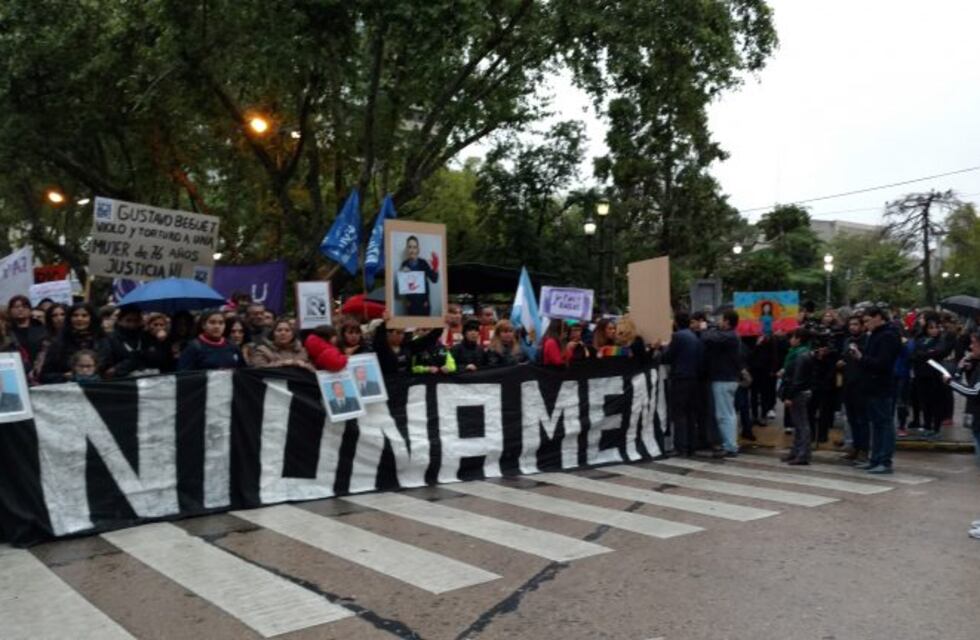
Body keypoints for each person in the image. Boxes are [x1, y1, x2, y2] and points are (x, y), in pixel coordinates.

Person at [852, 306, 902, 474]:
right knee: (876, 424)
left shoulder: (888, 335)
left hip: (881, 386)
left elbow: (882, 363)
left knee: (884, 424)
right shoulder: (875, 334)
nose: (866, 325)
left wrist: (861, 357)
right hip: (871, 386)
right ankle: (875, 459)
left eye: (867, 321)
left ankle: (884, 461)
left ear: (879, 317)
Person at [661, 311, 704, 457]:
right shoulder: (694, 337)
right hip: (694, 379)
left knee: (679, 414)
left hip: (680, 379)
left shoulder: (678, 336)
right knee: (691, 414)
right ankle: (691, 446)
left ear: (676, 323)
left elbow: (668, 356)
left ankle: (681, 447)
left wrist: (661, 349)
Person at [701, 310, 742, 457]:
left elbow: (708, 338)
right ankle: (731, 444)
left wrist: (706, 328)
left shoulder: (729, 336)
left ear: (727, 321)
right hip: (728, 378)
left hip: (724, 379)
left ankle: (730, 446)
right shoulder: (731, 336)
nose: (719, 322)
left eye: (721, 320)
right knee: (729, 413)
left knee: (724, 415)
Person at [40, 303, 112, 383]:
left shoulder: (104, 340)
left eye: (84, 315)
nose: (79, 319)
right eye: (75, 315)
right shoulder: (59, 343)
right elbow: (44, 375)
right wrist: (64, 376)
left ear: (92, 318)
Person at [910, 315, 953, 436]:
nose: (934, 330)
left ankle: (936, 428)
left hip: (935, 376)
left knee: (936, 402)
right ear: (926, 329)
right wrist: (927, 353)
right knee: (925, 402)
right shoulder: (920, 339)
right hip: (921, 375)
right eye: (931, 328)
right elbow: (915, 355)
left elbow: (939, 352)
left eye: (936, 327)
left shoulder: (941, 340)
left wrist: (926, 353)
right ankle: (927, 426)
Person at [104, 306, 174, 378]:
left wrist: (162, 342)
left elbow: (163, 362)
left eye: (136, 320)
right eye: (128, 320)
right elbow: (107, 371)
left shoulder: (146, 337)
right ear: (119, 321)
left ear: (141, 321)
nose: (132, 324)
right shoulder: (110, 340)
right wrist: (130, 363)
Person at [780, 329, 814, 465]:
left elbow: (797, 379)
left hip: (798, 393)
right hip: (800, 391)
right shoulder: (800, 353)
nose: (790, 340)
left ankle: (803, 454)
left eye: (793, 337)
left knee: (801, 424)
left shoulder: (801, 355)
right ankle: (796, 451)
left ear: (799, 339)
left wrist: (789, 396)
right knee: (798, 424)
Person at [838, 314, 870, 463]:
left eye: (856, 324)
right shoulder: (848, 341)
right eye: (851, 324)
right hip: (848, 382)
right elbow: (845, 357)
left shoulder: (867, 341)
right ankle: (855, 447)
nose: (853, 327)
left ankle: (864, 449)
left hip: (861, 384)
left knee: (862, 419)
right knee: (851, 419)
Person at [176, 310, 245, 371]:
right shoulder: (193, 347)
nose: (217, 326)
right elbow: (184, 375)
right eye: (212, 322)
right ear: (203, 325)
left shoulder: (232, 346)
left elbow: (242, 371)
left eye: (221, 323)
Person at [398, 235, 439, 316]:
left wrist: (435, 267)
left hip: (424, 304)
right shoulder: (404, 264)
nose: (412, 250)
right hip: (411, 305)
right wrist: (402, 275)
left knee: (425, 327)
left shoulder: (423, 263)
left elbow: (434, 279)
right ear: (407, 249)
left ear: (418, 249)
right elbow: (401, 289)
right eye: (410, 247)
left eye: (414, 247)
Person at [6, 295, 46, 373]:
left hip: (40, 371)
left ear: (30, 310)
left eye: (24, 306)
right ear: (10, 311)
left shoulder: (42, 329)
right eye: (16, 307)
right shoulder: (6, 331)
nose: (20, 309)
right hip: (15, 370)